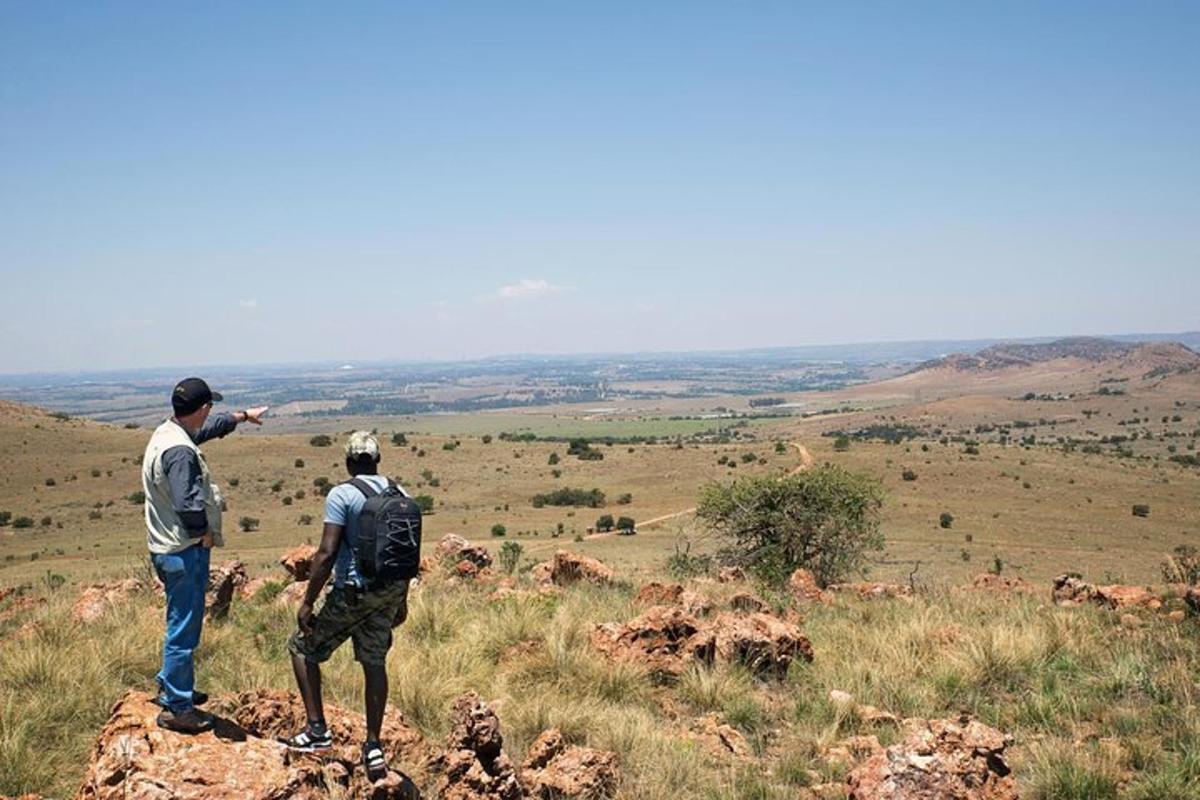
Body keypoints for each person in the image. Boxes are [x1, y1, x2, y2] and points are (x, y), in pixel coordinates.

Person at [141, 377, 268, 733]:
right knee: (185, 628)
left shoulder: (168, 433)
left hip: (166, 547)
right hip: (185, 550)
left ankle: (174, 687)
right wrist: (205, 535)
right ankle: (177, 707)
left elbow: (206, 430)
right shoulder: (180, 452)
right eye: (209, 407)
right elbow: (187, 503)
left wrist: (241, 417)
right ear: (203, 407)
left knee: (178, 620)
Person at [284, 431, 411, 781]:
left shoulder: (342, 493)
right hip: (389, 592)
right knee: (374, 662)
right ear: (378, 460)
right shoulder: (401, 493)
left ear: (349, 462)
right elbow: (406, 555)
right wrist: (402, 601)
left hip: (353, 591)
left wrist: (308, 601)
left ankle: (316, 731)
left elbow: (326, 554)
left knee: (302, 648)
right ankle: (373, 746)